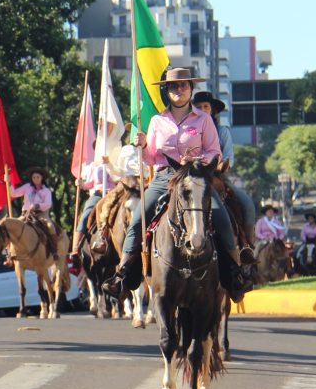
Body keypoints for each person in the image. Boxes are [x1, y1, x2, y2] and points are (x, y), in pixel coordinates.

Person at [104, 67, 253, 299]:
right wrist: (143, 146)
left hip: (197, 178)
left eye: (184, 85)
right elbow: (152, 158)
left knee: (222, 218)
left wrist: (195, 160)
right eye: (174, 86)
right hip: (165, 177)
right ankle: (122, 276)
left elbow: (215, 153)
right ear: (167, 90)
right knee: (136, 221)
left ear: (191, 89)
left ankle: (235, 275)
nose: (179, 89)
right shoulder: (156, 121)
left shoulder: (203, 119)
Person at [193, 91, 256, 241]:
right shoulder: (189, 131)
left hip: (217, 178)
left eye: (206, 106)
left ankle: (246, 246)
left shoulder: (222, 132)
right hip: (192, 177)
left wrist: (219, 166)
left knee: (247, 204)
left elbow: (229, 159)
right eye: (198, 107)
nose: (202, 110)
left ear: (212, 110)